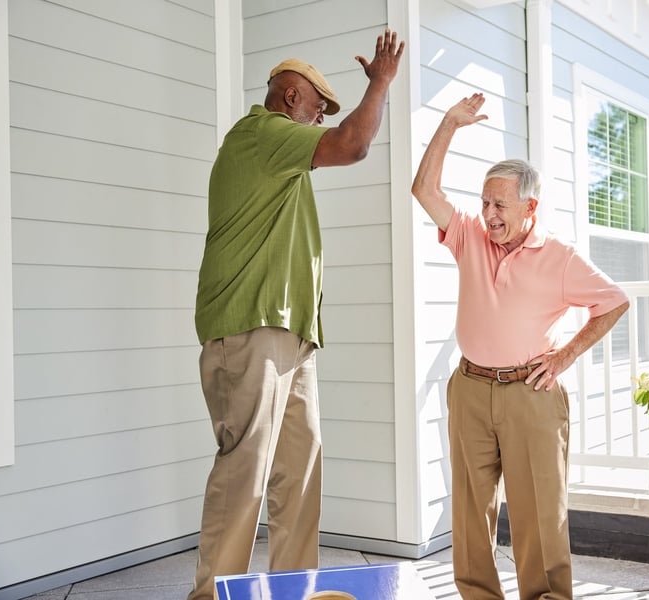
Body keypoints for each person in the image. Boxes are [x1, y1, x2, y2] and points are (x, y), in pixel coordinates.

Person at [188, 30, 404, 600]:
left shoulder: (285, 167)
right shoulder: (261, 136)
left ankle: (294, 590)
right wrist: (380, 82)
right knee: (246, 472)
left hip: (291, 334)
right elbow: (354, 143)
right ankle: (213, 595)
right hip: (251, 327)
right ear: (289, 99)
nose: (319, 120)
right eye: (317, 108)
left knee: (300, 470)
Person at [411, 93, 630, 600]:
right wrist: (448, 124)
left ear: (530, 207)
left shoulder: (559, 258)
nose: (487, 214)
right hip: (469, 388)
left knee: (538, 514)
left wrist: (565, 355)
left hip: (530, 395)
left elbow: (614, 302)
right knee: (469, 511)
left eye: (499, 205)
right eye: (485, 202)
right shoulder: (467, 234)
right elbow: (424, 189)